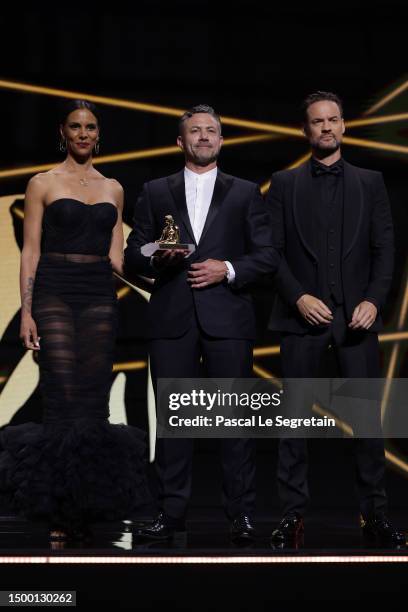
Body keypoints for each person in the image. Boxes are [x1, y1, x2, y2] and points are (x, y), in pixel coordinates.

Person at [124, 104, 280, 541]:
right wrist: (161, 252)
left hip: (228, 316)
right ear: (181, 141)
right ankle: (170, 513)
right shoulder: (156, 190)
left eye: (212, 131)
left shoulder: (246, 192)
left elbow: (266, 256)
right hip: (172, 317)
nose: (205, 137)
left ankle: (241, 514)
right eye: (196, 131)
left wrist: (226, 269)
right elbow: (134, 252)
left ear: (222, 140)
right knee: (173, 421)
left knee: (233, 422)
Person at [0, 100, 149, 540]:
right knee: (62, 396)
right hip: (55, 290)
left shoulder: (114, 188)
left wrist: (160, 280)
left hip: (99, 292)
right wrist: (26, 311)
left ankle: (88, 506)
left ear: (98, 134)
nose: (83, 133)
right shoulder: (42, 182)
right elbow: (30, 250)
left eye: (90, 127)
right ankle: (58, 510)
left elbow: (117, 257)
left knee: (92, 399)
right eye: (75, 126)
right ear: (62, 132)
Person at [266, 91, 404, 546]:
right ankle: (292, 515)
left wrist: (373, 300)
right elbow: (274, 252)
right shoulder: (284, 184)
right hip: (301, 316)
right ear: (305, 130)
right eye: (316, 122)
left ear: (343, 125)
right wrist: (298, 296)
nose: (325, 128)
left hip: (356, 317)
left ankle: (375, 516)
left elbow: (385, 250)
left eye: (332, 120)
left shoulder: (370, 181)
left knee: (366, 422)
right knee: (293, 424)